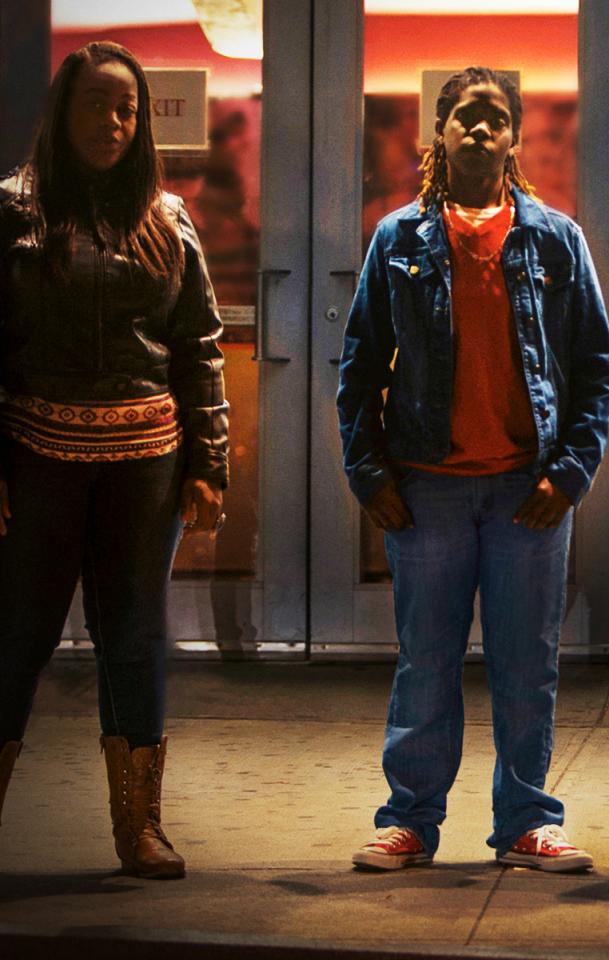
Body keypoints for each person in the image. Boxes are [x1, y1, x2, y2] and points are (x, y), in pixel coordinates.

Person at [337, 67, 609, 873]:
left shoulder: (554, 238)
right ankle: (410, 822)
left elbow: (595, 365)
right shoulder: (399, 240)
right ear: (439, 132)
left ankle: (528, 820)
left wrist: (570, 473)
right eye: (467, 117)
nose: (482, 131)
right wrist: (370, 473)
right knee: (426, 660)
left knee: (528, 662)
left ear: (517, 137)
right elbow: (358, 366)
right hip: (427, 488)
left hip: (528, 490)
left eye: (497, 119)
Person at [0, 42, 228, 878]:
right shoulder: (13, 212)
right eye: (97, 104)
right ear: (63, 112)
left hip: (146, 463)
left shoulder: (167, 218)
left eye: (128, 108)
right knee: (15, 635)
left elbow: (198, 346)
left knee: (133, 637)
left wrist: (210, 462)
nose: (114, 121)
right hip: (35, 454)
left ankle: (140, 828)